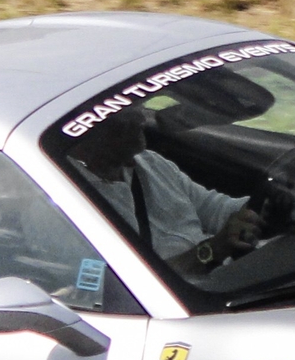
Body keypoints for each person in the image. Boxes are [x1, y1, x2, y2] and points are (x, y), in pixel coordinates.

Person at [73, 106, 263, 272]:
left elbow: (215, 209)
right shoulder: (71, 201)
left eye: (137, 106)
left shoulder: (150, 163)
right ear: (90, 130)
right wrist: (212, 250)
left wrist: (266, 203)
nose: (141, 119)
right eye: (124, 115)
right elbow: (134, 284)